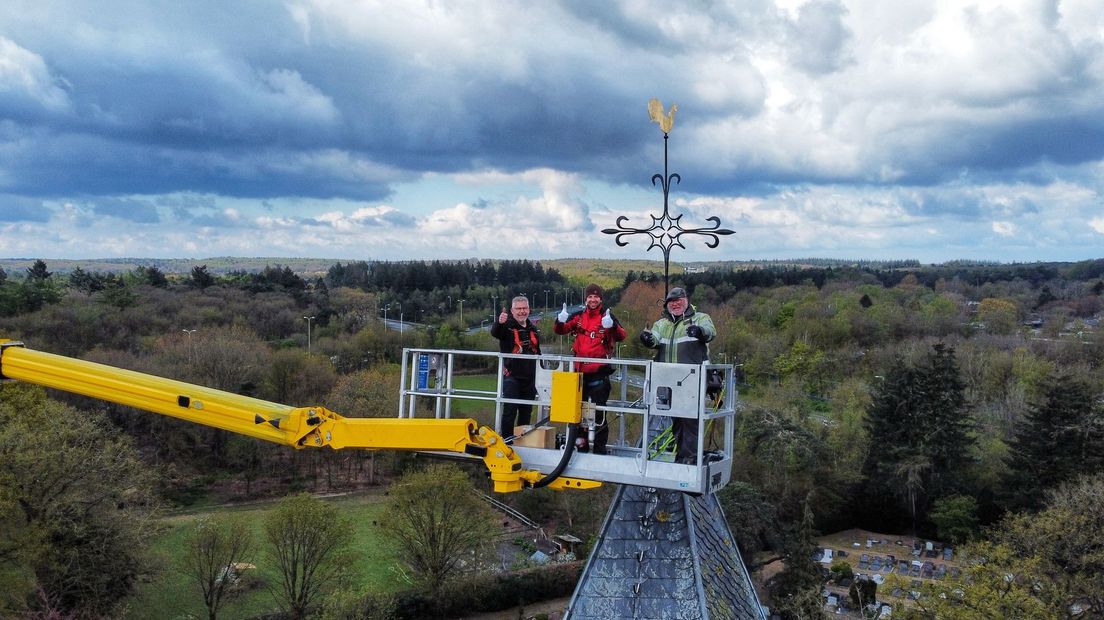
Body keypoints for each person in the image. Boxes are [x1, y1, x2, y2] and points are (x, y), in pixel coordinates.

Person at [639, 286, 716, 464]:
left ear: (686, 300)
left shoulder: (700, 318)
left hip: (693, 379)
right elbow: (655, 338)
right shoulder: (662, 324)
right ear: (667, 305)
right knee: (677, 420)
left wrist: (700, 332)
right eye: (671, 302)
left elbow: (710, 331)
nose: (675, 304)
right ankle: (682, 457)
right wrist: (648, 339)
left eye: (678, 300)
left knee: (690, 420)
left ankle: (689, 459)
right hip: (669, 381)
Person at [554, 283, 626, 454]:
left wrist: (612, 326)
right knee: (576, 413)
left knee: (599, 414)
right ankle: (580, 446)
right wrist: (559, 320)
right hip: (578, 375)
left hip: (599, 375)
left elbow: (622, 335)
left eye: (596, 297)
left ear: (600, 299)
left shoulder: (607, 316)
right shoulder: (578, 317)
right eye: (590, 297)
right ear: (586, 299)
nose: (593, 300)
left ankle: (599, 450)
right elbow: (560, 330)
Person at [490, 295, 542, 437]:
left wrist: (542, 374)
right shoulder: (507, 327)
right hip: (511, 377)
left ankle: (521, 439)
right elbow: (496, 332)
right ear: (512, 311)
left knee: (526, 412)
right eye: (518, 309)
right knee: (510, 410)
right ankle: (507, 440)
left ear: (529, 310)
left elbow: (538, 352)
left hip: (530, 378)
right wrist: (499, 323)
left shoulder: (532, 329)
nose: (522, 311)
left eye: (524, 308)